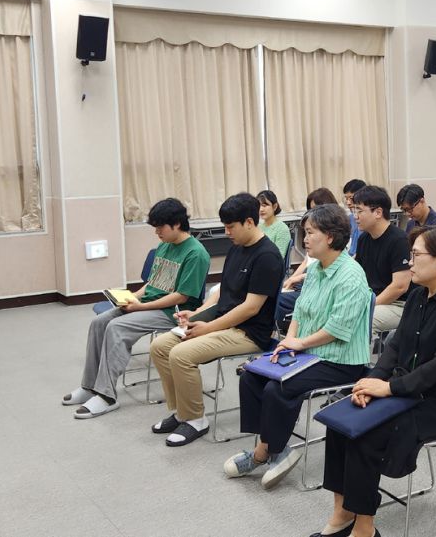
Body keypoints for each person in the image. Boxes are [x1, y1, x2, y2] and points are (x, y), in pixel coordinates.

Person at [311, 224, 436, 537]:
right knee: (341, 422)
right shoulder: (418, 295)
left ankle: (364, 529)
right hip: (406, 390)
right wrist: (370, 383)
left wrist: (388, 388)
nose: (409, 262)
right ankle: (343, 513)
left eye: (416, 255)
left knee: (366, 434)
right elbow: (394, 349)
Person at [223, 204, 370, 489]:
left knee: (277, 388)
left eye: (311, 232)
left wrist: (299, 343)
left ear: (330, 236)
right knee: (252, 376)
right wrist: (288, 343)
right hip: (307, 352)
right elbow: (299, 313)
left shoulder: (351, 275)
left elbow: (337, 329)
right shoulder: (315, 269)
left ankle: (265, 452)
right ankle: (273, 448)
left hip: (339, 360)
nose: (304, 239)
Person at [149, 193, 283, 447]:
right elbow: (222, 291)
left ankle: (195, 419)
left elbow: (250, 308)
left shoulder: (267, 256)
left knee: (181, 355)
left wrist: (208, 327)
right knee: (160, 347)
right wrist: (198, 313)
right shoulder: (237, 248)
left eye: (231, 227)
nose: (227, 232)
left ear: (249, 222)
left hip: (248, 332)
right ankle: (181, 412)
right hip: (223, 321)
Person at [63, 198, 210, 419]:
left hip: (173, 312)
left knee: (117, 327)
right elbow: (152, 283)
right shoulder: (164, 246)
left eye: (160, 227)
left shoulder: (196, 254)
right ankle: (90, 386)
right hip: (149, 305)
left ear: (177, 224)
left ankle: (107, 396)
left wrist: (141, 306)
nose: (157, 232)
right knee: (99, 322)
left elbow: (181, 296)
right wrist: (132, 298)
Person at [276, 187, 339, 329]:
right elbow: (306, 262)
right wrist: (290, 280)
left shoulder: (334, 239)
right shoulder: (315, 247)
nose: (305, 239)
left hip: (312, 285)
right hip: (306, 282)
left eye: (317, 208)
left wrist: (299, 278)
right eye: (311, 209)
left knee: (277, 301)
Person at [352, 185, 411, 335]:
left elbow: (400, 286)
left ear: (378, 212)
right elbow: (356, 275)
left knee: (362, 320)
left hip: (399, 304)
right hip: (372, 299)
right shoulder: (364, 239)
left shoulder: (399, 240)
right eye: (354, 211)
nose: (355, 216)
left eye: (359, 211)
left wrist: (368, 306)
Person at [257, 189, 291, 259]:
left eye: (264, 205)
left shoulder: (282, 229)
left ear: (275, 206)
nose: (261, 209)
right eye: (259, 206)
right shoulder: (258, 226)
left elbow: (279, 257)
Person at [343, 179, 366, 256]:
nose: (348, 203)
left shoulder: (369, 219)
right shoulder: (349, 218)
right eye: (346, 199)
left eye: (351, 198)